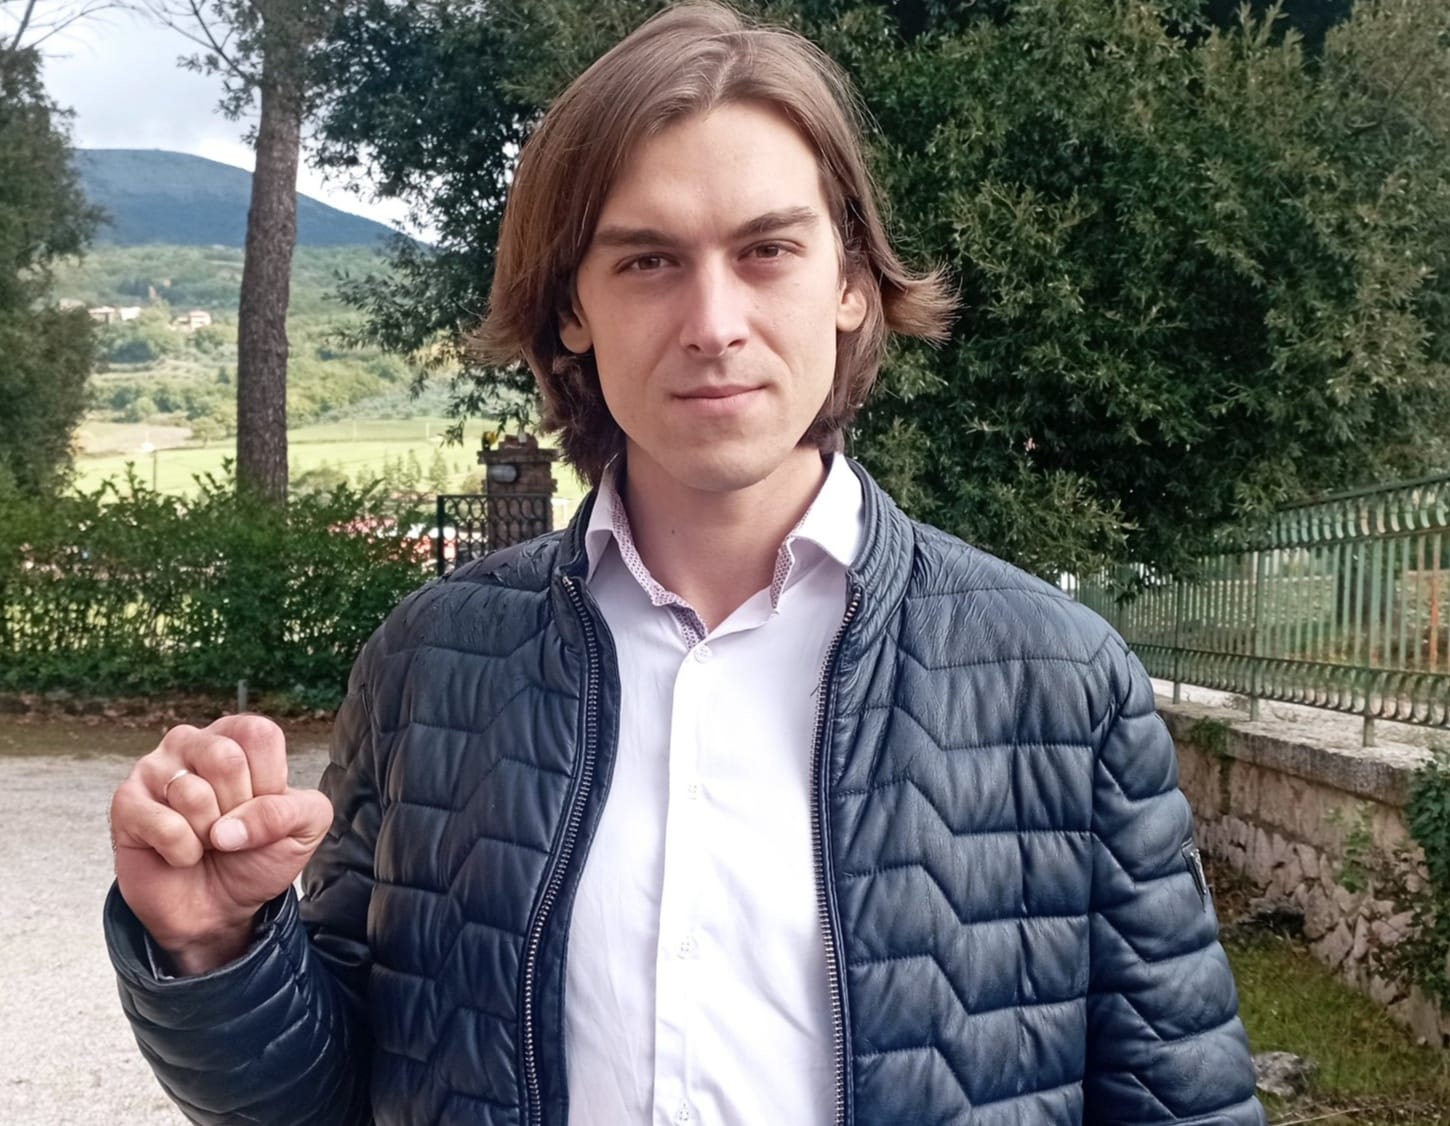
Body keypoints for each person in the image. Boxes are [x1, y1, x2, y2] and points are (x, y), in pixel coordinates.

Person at [105, 3, 1266, 1123]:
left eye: (767, 250)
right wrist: (214, 944)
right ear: (573, 307)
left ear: (850, 280)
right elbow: (338, 1096)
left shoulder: (1058, 682)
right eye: (648, 261)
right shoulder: (429, 663)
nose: (713, 321)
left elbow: (1182, 1101)